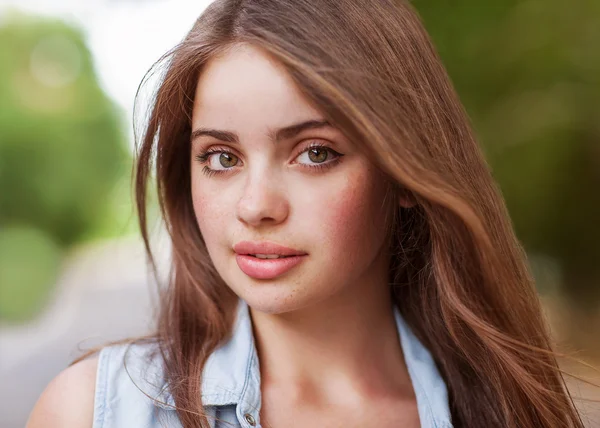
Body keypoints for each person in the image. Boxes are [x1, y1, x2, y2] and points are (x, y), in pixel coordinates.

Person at [26, 0, 589, 427]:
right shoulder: (95, 412)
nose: (255, 207)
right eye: (221, 158)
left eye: (315, 153)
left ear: (404, 169)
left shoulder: (506, 410)